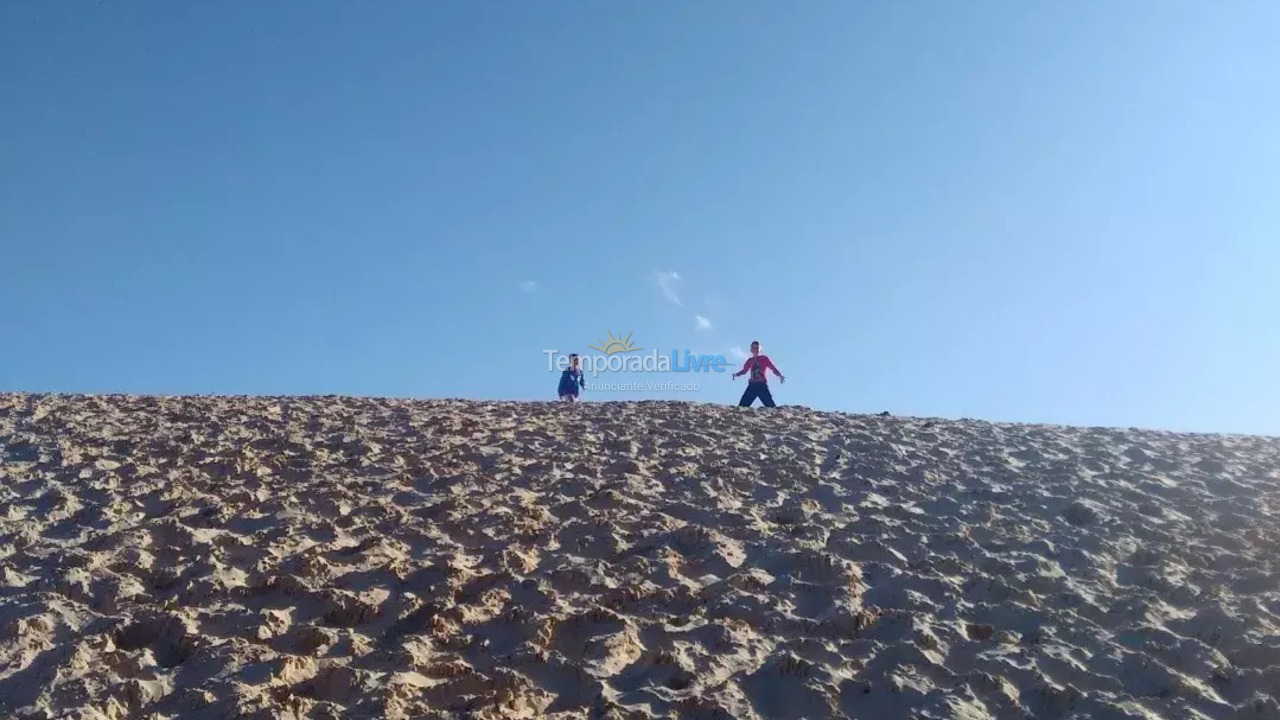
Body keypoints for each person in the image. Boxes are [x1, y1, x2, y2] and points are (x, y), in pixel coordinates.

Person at [732, 340, 785, 407]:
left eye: (757, 348)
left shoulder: (764, 358)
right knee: (742, 406)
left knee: (771, 406)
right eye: (753, 348)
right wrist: (736, 374)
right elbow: (744, 371)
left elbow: (772, 368)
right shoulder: (749, 360)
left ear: (760, 349)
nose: (755, 349)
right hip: (752, 386)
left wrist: (779, 375)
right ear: (751, 349)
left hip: (761, 385)